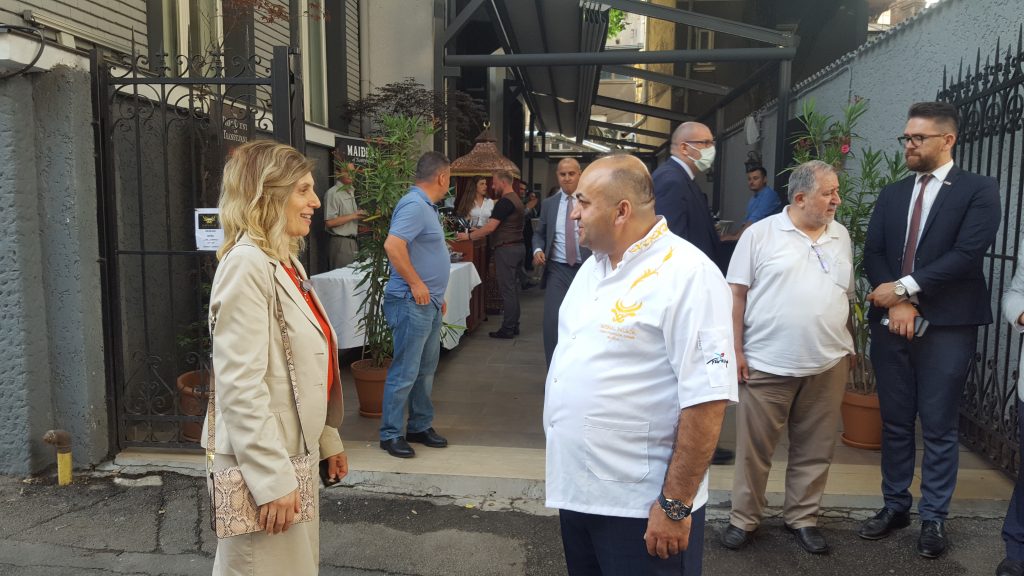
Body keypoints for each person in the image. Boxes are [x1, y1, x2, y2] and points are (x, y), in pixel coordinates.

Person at [545, 154, 737, 576]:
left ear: (621, 211)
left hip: (642, 505)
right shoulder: (592, 268)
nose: (573, 213)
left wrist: (675, 504)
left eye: (583, 203)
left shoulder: (689, 275)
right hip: (580, 492)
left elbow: (708, 400)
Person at [859, 101, 1000, 558]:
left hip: (947, 326)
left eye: (918, 138)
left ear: (947, 139)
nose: (909, 145)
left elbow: (966, 255)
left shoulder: (979, 190)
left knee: (938, 425)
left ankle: (934, 517)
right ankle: (895, 505)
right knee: (896, 421)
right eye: (906, 137)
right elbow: (873, 251)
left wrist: (904, 289)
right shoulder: (894, 193)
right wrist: (898, 302)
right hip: (892, 324)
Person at [206, 139, 348, 574]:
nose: (315, 202)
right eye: (303, 190)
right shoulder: (247, 264)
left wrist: (326, 439)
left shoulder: (285, 262)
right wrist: (270, 480)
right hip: (267, 465)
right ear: (267, 194)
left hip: (293, 454)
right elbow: (239, 385)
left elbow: (302, 369)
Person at [721, 160, 854, 555]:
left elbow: (844, 294)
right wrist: (735, 350)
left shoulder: (841, 235)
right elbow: (736, 296)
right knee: (754, 451)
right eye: (828, 193)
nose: (837, 200)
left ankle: (803, 517)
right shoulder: (760, 235)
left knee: (816, 448)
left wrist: (848, 344)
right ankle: (744, 519)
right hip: (767, 362)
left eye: (836, 191)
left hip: (827, 362)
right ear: (800, 198)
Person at [653, 120, 734, 467]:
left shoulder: (682, 179)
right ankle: (691, 445)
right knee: (693, 371)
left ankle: (701, 441)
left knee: (702, 369)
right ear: (686, 147)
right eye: (707, 143)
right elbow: (670, 242)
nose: (712, 149)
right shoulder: (671, 181)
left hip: (696, 291)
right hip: (685, 295)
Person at [379, 151, 453, 459]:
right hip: (411, 302)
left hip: (427, 303)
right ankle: (391, 433)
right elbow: (393, 245)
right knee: (406, 371)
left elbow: (421, 252)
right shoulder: (414, 205)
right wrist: (416, 284)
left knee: (424, 370)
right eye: (449, 177)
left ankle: (419, 426)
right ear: (442, 177)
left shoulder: (425, 206)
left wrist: (435, 293)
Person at [531, 157, 591, 366]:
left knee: (585, 320)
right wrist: (538, 249)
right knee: (552, 321)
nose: (567, 178)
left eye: (571, 174)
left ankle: (581, 369)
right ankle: (553, 371)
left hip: (587, 269)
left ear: (580, 174)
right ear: (557, 176)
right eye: (562, 174)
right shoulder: (549, 204)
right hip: (557, 268)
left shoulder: (591, 202)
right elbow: (539, 233)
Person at [455, 170, 525, 339]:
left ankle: (508, 328)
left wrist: (468, 236)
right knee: (512, 289)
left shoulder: (504, 202)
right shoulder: (516, 199)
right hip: (517, 247)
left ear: (503, 182)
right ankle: (514, 324)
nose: (492, 186)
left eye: (494, 183)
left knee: (507, 290)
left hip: (506, 249)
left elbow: (490, 227)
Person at [324, 162, 366, 269]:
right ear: (337, 173)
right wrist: (354, 215)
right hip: (340, 243)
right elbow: (329, 222)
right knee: (341, 276)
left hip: (353, 242)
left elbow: (350, 217)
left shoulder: (351, 191)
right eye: (347, 171)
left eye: (353, 172)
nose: (351, 175)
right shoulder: (333, 193)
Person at [721, 166, 781, 240]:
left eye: (755, 178)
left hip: (768, 240)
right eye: (749, 179)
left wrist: (736, 237)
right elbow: (746, 223)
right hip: (757, 238)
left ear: (765, 179)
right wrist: (732, 235)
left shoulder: (770, 195)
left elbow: (754, 220)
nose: (751, 182)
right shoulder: (753, 198)